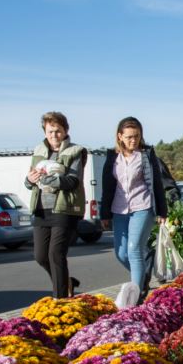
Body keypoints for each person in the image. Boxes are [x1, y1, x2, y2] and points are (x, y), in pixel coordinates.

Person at [101, 117, 168, 294]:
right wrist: (104, 214)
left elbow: (157, 184)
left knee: (134, 249)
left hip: (143, 207)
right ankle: (143, 275)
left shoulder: (146, 155)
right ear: (119, 136)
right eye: (129, 136)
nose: (133, 140)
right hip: (119, 209)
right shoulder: (112, 157)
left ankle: (136, 295)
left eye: (137, 136)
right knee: (121, 254)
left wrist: (162, 211)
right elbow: (107, 187)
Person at [25, 112, 86, 299]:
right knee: (41, 256)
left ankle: (60, 301)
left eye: (58, 131)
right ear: (45, 132)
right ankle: (66, 282)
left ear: (65, 130)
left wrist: (47, 178)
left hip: (64, 210)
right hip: (41, 209)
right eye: (50, 131)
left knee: (55, 254)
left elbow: (72, 181)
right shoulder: (38, 151)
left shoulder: (76, 151)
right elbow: (30, 182)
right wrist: (29, 180)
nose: (54, 135)